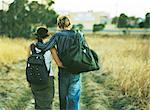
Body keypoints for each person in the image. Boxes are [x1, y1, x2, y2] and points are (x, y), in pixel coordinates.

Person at [36, 16, 86, 110]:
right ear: (70, 24)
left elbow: (46, 47)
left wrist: (36, 44)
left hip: (63, 69)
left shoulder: (57, 35)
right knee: (74, 98)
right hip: (76, 69)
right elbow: (84, 50)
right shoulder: (79, 35)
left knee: (63, 98)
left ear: (59, 25)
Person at [28, 27, 63, 110]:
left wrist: (29, 81)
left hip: (34, 79)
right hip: (47, 79)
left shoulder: (32, 46)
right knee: (47, 104)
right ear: (47, 36)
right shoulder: (51, 47)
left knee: (38, 104)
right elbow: (59, 63)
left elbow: (29, 63)